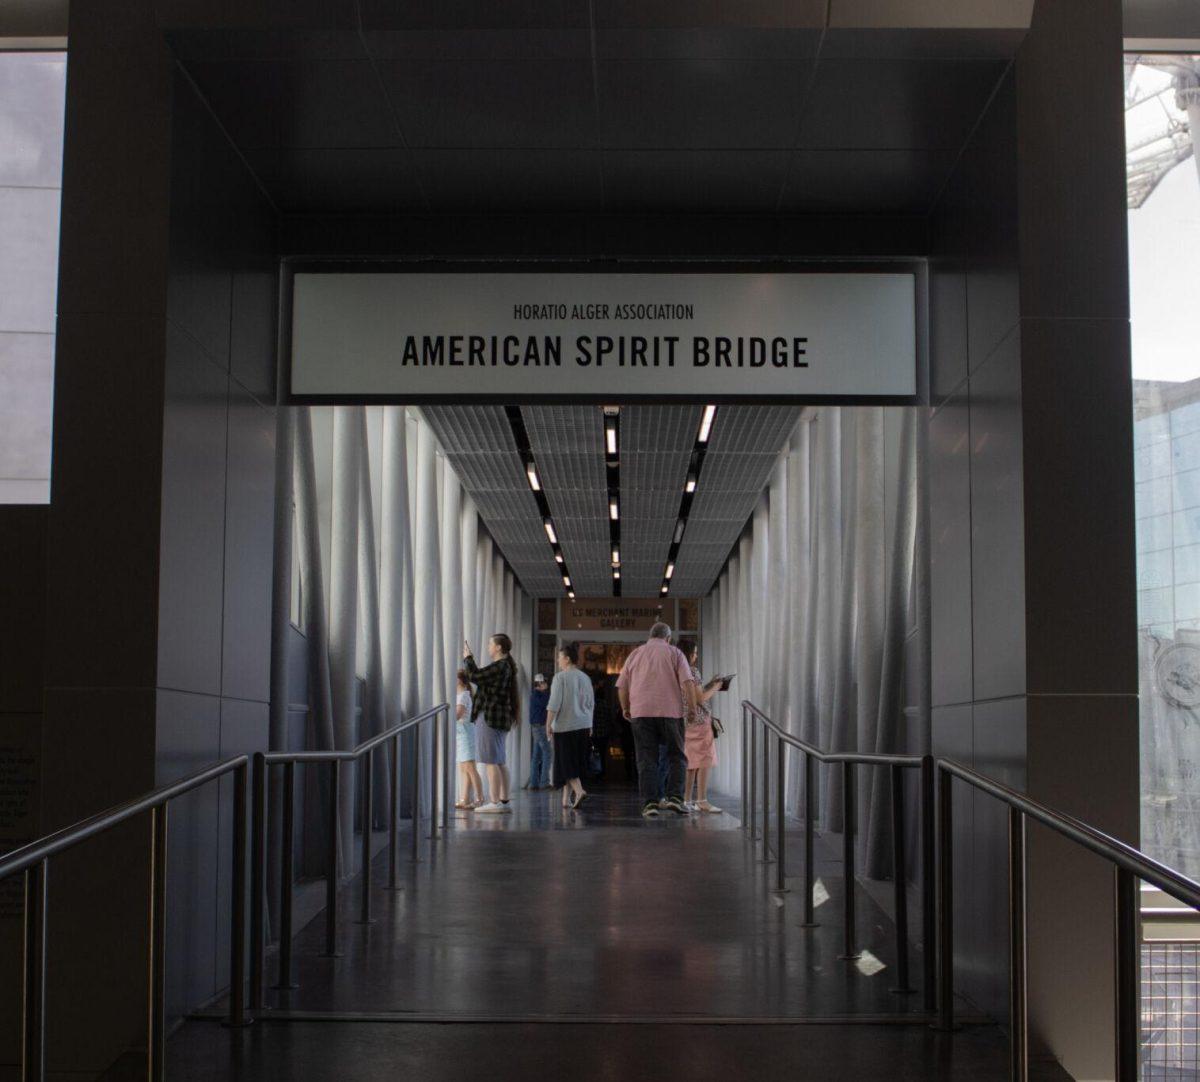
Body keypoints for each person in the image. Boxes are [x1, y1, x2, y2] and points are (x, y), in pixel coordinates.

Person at [616, 622, 697, 818]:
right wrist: (692, 709)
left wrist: (625, 707)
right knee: (677, 756)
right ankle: (675, 798)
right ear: (667, 638)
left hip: (641, 713)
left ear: (650, 636)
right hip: (671, 713)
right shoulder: (675, 653)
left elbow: (622, 685)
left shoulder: (635, 654)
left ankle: (649, 803)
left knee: (646, 759)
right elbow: (687, 682)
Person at [463, 633, 519, 814]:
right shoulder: (506, 667)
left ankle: (494, 802)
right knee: (500, 761)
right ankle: (503, 800)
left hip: (489, 717)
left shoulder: (500, 666)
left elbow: (475, 676)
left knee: (490, 762)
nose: (488, 647)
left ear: (499, 648)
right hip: (499, 718)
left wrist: (468, 658)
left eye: (490, 644)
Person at [676, 638, 723, 814]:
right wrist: (716, 687)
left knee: (689, 762)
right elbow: (700, 698)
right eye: (694, 652)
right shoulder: (692, 671)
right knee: (704, 760)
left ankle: (687, 799)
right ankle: (702, 800)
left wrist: (709, 683)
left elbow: (694, 694)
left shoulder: (676, 671)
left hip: (685, 722)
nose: (696, 656)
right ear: (688, 654)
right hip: (700, 721)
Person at [547, 642, 595, 809]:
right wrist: (590, 725)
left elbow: (554, 704)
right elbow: (590, 704)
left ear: (567, 659)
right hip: (583, 726)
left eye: (559, 657)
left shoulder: (560, 678)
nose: (558, 660)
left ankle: (580, 791)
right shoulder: (585, 678)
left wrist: (548, 724)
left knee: (566, 763)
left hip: (565, 726)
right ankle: (566, 799)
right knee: (573, 761)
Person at [453, 669, 484, 810]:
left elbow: (458, 715)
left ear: (460, 680)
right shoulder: (461, 695)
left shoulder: (464, 696)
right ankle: (464, 798)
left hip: (465, 732)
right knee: (463, 767)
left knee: (470, 767)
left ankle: (479, 798)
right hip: (461, 733)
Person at [524, 673, 552, 790]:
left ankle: (534, 783)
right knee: (547, 753)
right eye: (545, 683)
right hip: (540, 727)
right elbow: (546, 704)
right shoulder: (538, 695)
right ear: (540, 683)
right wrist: (546, 692)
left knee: (536, 755)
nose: (547, 685)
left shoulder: (534, 694)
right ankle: (544, 782)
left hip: (536, 727)